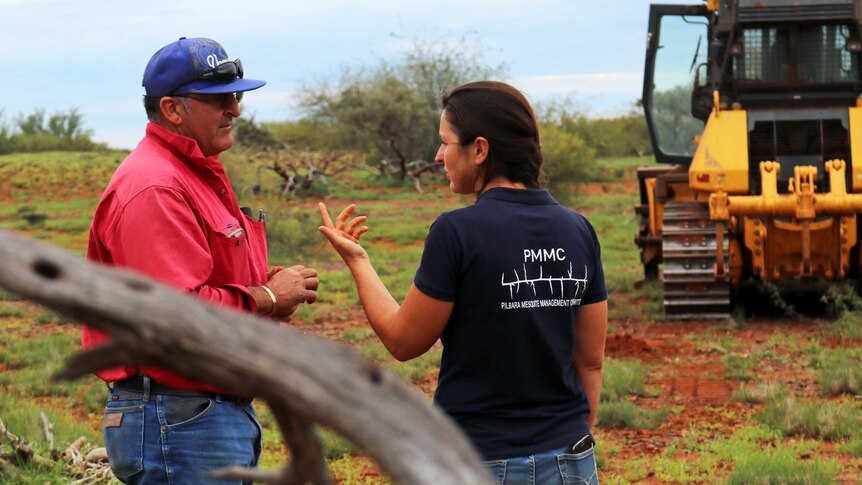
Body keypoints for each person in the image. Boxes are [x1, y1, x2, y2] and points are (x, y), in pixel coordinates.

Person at [318, 80, 607, 485]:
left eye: (445, 142)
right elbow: (590, 361)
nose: (439, 156)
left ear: (480, 150)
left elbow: (404, 342)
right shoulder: (579, 230)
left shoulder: (457, 232)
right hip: (572, 458)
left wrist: (358, 262)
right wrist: (573, 437)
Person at [82, 37, 319, 484]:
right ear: (172, 109)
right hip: (178, 418)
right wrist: (267, 296)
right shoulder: (155, 186)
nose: (235, 109)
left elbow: (202, 276)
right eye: (219, 99)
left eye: (237, 95)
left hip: (198, 415)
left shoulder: (192, 173)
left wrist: (270, 286)